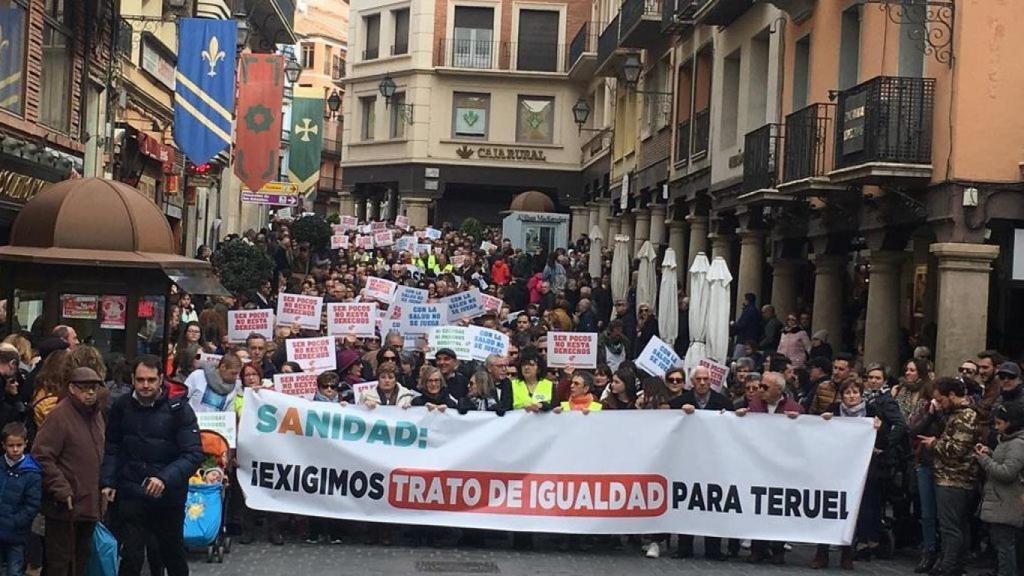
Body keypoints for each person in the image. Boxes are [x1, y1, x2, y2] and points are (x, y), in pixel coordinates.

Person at [100, 355, 202, 576]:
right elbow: (113, 446)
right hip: (132, 492)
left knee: (171, 554)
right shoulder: (121, 406)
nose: (145, 385)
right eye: (140, 380)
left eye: (151, 380)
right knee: (131, 556)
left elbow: (193, 454)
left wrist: (164, 478)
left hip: (168, 497)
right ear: (132, 379)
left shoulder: (179, 409)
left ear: (161, 379)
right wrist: (108, 481)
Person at [32, 367, 106, 576]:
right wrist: (61, 488)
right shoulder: (60, 415)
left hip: (89, 504)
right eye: (84, 388)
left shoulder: (96, 415)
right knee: (59, 563)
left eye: (94, 388)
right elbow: (41, 455)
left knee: (80, 562)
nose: (90, 393)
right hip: (64, 506)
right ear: (72, 388)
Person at [917, 377, 979, 576]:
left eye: (941, 400)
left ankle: (949, 565)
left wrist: (934, 443)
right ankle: (954, 563)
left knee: (951, 526)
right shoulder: (957, 414)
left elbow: (957, 449)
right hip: (951, 476)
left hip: (954, 478)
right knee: (957, 525)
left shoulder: (965, 416)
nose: (940, 404)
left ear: (952, 395)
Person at [738, 371, 801, 566]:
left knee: (778, 507)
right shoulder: (754, 405)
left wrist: (799, 421)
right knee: (758, 506)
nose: (760, 390)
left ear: (778, 390)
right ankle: (758, 548)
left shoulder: (794, 408)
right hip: (758, 465)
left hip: (782, 467)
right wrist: (740, 416)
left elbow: (804, 436)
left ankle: (778, 548)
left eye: (765, 387)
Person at [672, 365, 732, 561]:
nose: (703, 383)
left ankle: (713, 548)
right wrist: (679, 413)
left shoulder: (723, 402)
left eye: (706, 379)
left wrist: (731, 416)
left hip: (714, 461)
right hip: (687, 459)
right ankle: (684, 547)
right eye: (699, 379)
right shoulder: (679, 402)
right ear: (692, 382)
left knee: (713, 503)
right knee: (686, 502)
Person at [974, 401, 1024, 576]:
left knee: (1005, 546)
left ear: (1011, 423)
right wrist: (990, 453)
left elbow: (1007, 472)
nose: (996, 427)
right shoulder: (1006, 441)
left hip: (1007, 502)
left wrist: (985, 460)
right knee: (1001, 544)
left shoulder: (1017, 444)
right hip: (1000, 501)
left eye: (999, 423)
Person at [0, 422, 41, 576]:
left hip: (17, 534)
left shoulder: (32, 473)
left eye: (19, 445)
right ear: (4, 445)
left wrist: (15, 522)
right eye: (11, 445)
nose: (15, 449)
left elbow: (32, 505)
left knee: (14, 569)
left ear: (26, 444)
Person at [509, 347, 554, 412]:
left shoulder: (549, 385)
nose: (526, 367)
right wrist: (523, 406)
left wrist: (542, 405)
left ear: (539, 368)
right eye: (523, 364)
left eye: (531, 365)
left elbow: (554, 407)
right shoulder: (511, 385)